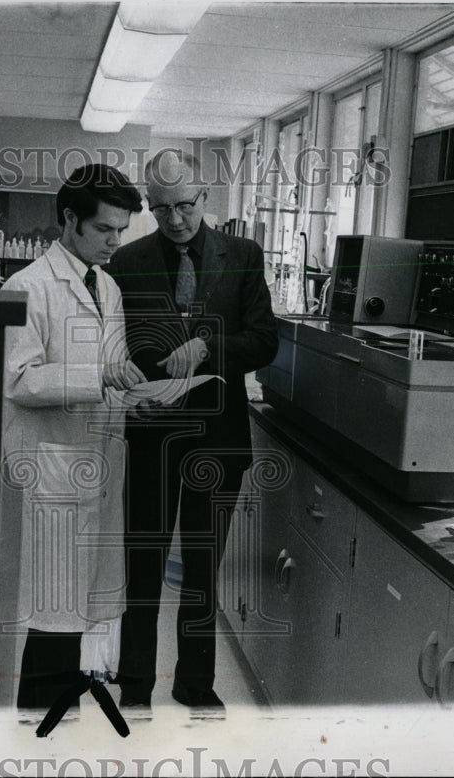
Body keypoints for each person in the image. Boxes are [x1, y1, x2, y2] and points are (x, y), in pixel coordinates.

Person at [105, 150, 278, 713]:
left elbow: (265, 341)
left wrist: (210, 346)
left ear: (204, 196)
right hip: (152, 434)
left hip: (218, 439)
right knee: (144, 566)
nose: (175, 219)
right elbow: (113, 348)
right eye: (161, 210)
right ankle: (135, 687)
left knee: (203, 569)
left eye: (184, 205)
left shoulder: (244, 257)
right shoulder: (126, 264)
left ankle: (195, 685)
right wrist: (130, 397)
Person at [0, 164, 146, 719]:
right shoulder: (28, 286)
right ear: (69, 219)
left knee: (79, 609)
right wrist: (99, 379)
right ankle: (37, 731)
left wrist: (136, 388)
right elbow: (18, 378)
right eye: (106, 229)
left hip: (97, 460)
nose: (115, 242)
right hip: (53, 470)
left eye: (121, 231)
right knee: (50, 616)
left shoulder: (107, 286)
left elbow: (111, 366)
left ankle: (60, 721)